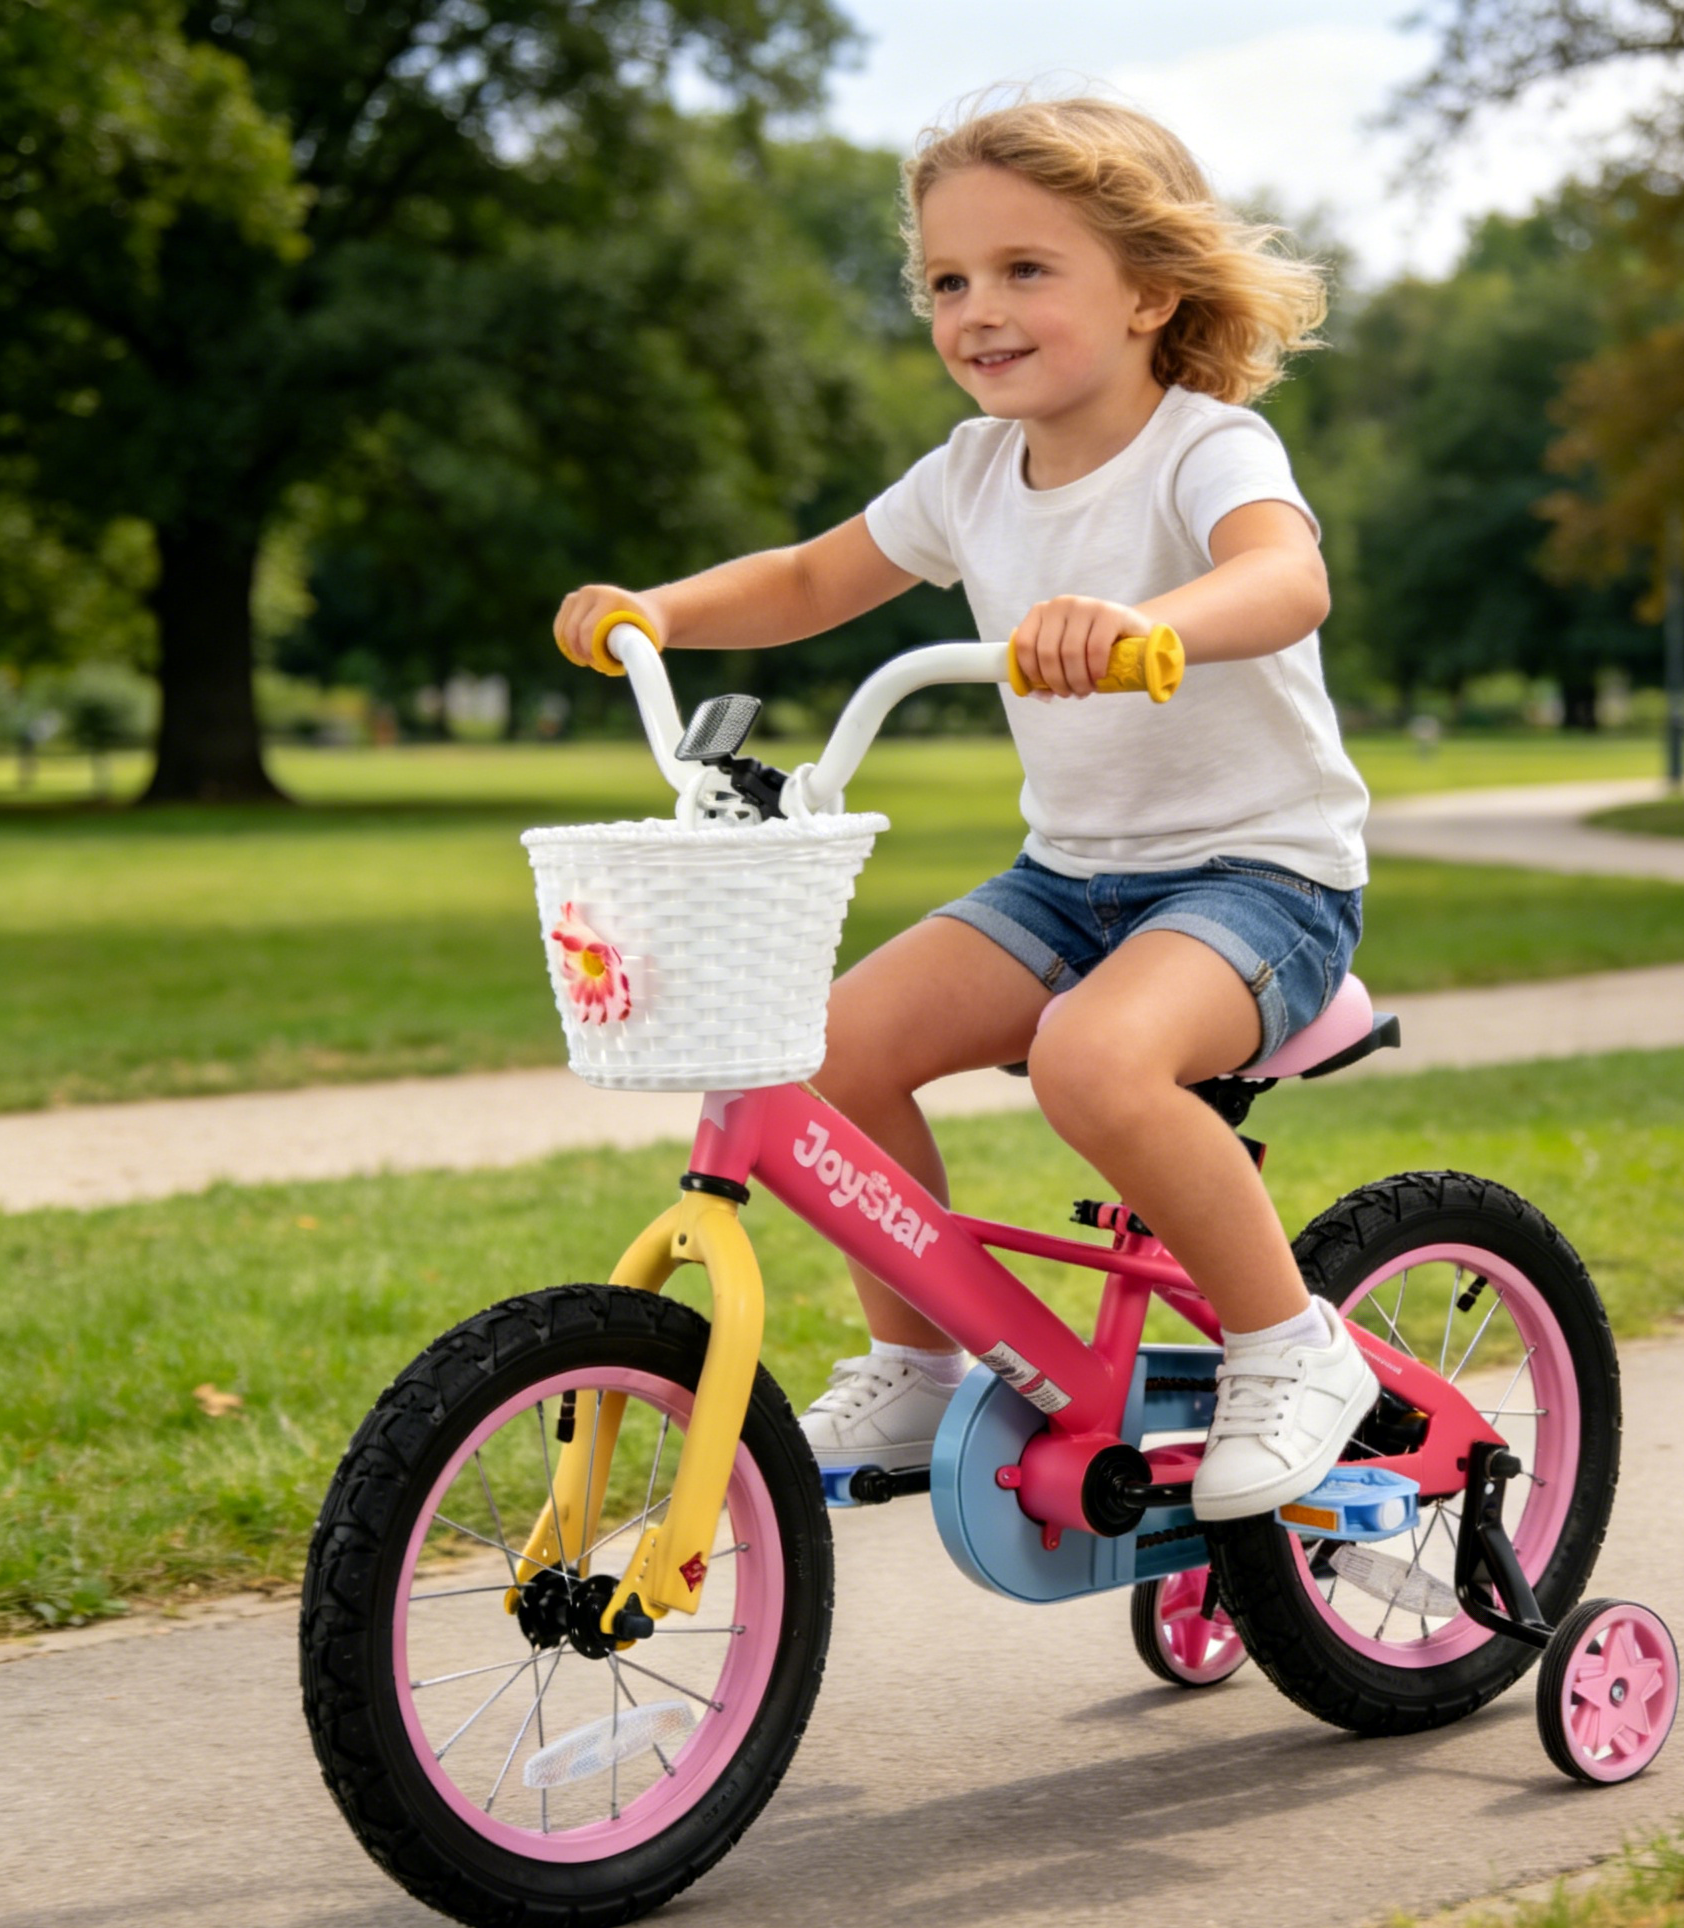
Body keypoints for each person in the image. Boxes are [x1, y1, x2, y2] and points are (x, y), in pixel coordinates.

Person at [554, 95, 1375, 1522]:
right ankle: (919, 1360)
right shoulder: (973, 471)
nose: (976, 309)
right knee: (818, 1054)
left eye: (1024, 271)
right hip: (1068, 881)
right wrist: (659, 610)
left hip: (1260, 882)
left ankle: (1291, 1346)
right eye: (948, 281)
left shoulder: (1204, 448)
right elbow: (815, 580)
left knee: (1095, 1064)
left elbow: (1285, 578)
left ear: (1149, 293)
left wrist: (1146, 619)